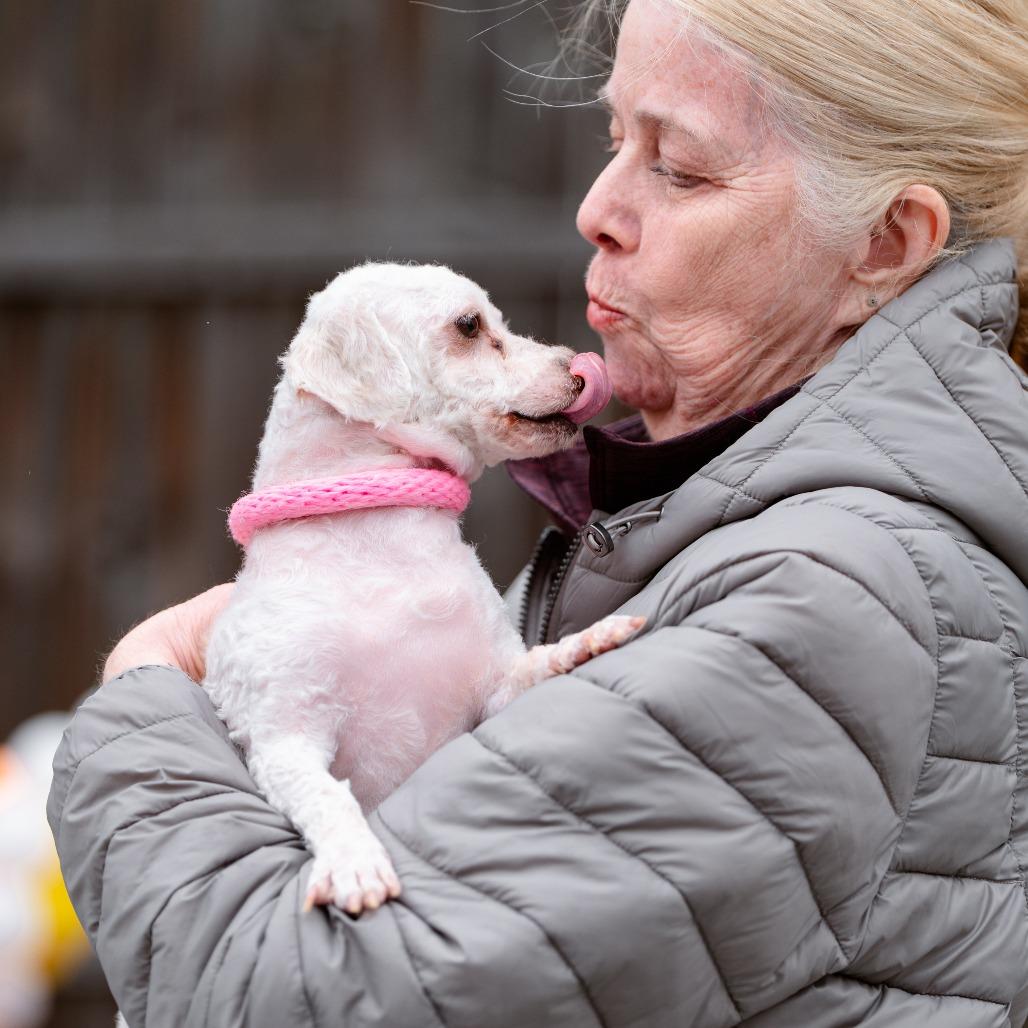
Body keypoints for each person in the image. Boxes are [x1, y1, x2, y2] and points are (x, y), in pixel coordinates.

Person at [49, 0, 1028, 1024]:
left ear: (884, 242)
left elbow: (303, 1001)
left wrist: (147, 699)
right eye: (615, 142)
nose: (596, 207)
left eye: (678, 168)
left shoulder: (825, 599)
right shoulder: (717, 528)